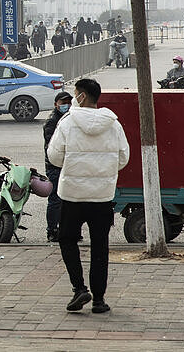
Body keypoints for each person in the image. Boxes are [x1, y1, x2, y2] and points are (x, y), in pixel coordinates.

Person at [46, 78, 129, 314]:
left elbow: (54, 156)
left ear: (81, 95)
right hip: (102, 197)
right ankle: (99, 300)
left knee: (67, 239)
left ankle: (79, 288)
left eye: (75, 93)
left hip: (72, 195)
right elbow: (123, 158)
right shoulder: (113, 124)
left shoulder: (67, 122)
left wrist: (74, 165)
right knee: (100, 247)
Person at [42, 91, 74, 242]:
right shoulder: (52, 121)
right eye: (63, 103)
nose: (66, 105)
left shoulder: (69, 118)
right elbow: (53, 146)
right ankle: (52, 230)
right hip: (55, 166)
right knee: (55, 199)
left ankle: (66, 229)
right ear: (56, 104)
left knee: (68, 200)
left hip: (66, 164)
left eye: (68, 102)